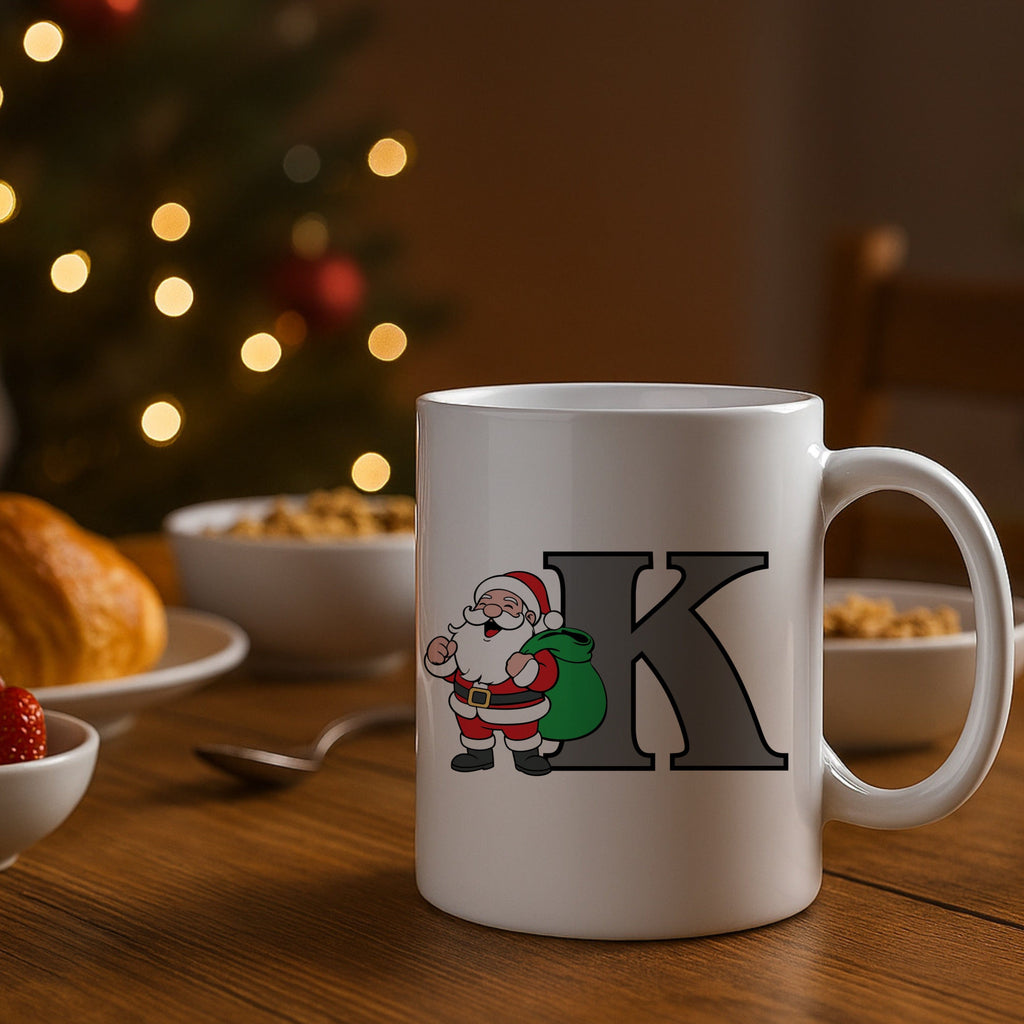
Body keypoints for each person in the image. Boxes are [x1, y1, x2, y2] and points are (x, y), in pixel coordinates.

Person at [423, 570, 563, 776]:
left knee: (521, 733)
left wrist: (528, 670)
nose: (491, 610)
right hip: (468, 707)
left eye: (508, 605)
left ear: (529, 617)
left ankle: (526, 755)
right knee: (474, 732)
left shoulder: (533, 647)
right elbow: (453, 673)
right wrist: (440, 660)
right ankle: (479, 755)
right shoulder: (465, 639)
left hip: (517, 709)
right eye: (484, 603)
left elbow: (547, 678)